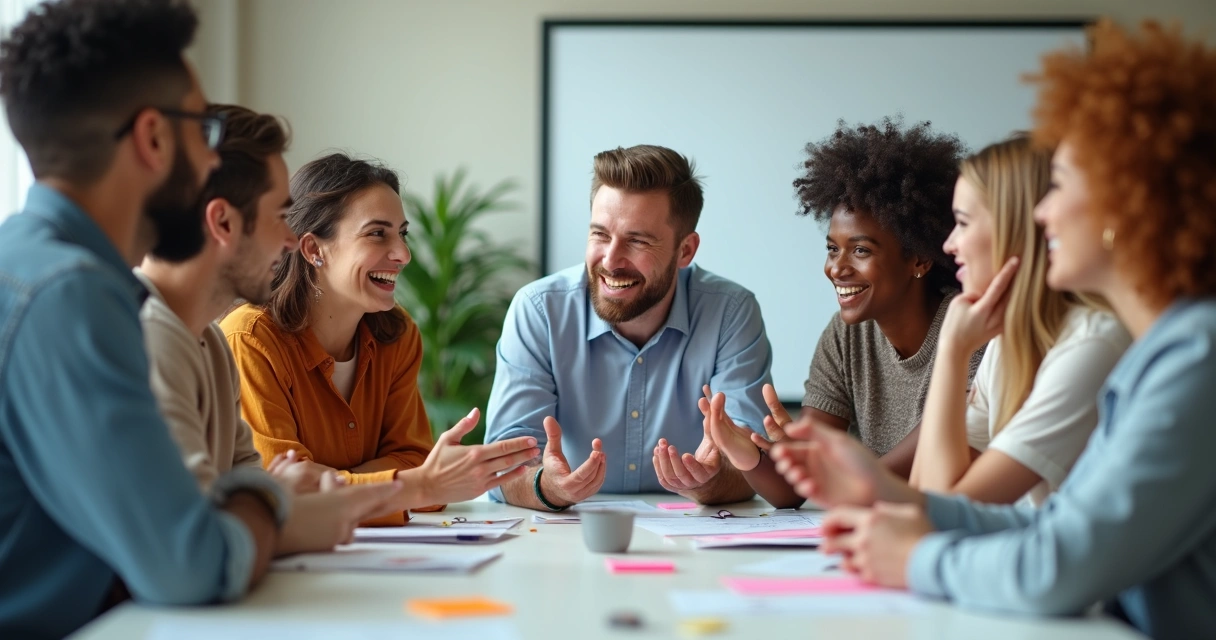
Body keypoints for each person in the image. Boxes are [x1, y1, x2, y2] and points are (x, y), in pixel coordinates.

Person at [770, 20, 1216, 640]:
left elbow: (1058, 565)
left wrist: (916, 557)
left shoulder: (1196, 358)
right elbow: (1054, 528)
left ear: (1128, 197)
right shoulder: (1165, 355)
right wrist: (887, 493)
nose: (1041, 212)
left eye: (1060, 186)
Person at [0, 2, 401, 637]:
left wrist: (244, 502)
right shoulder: (72, 297)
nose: (210, 152)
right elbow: (190, 561)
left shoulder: (33, 268)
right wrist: (268, 497)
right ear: (154, 139)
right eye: (200, 128)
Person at [222, 152, 539, 524]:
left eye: (402, 234)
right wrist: (410, 486)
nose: (403, 254)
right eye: (377, 234)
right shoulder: (251, 340)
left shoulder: (398, 335)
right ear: (312, 249)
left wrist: (337, 482)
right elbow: (283, 496)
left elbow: (413, 460)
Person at [704, 118, 984, 508]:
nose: (837, 268)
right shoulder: (845, 335)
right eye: (832, 248)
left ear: (919, 258)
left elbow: (883, 477)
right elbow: (793, 491)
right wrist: (744, 452)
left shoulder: (971, 325)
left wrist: (833, 469)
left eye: (861, 250)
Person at [485, 144, 773, 510]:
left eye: (637, 241)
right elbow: (504, 465)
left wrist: (711, 482)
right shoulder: (539, 310)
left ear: (685, 250)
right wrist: (549, 487)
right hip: (568, 538)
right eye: (600, 235)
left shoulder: (731, 312)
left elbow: (751, 462)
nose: (610, 260)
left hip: (691, 538)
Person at [907, 135, 1130, 505]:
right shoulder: (1006, 344)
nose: (949, 244)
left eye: (962, 223)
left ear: (1018, 228)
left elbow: (942, 514)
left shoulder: (1093, 346)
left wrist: (952, 350)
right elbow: (924, 493)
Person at [139, 103, 347, 494]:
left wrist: (268, 502)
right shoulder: (148, 338)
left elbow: (249, 494)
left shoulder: (212, 342)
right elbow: (202, 532)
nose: (290, 240)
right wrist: (272, 501)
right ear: (223, 223)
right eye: (278, 217)